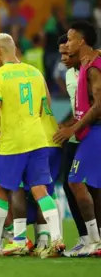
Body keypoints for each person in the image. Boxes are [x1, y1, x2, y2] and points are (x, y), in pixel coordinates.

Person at [0, 33, 63, 258]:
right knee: (40, 190)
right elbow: (47, 106)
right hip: (38, 139)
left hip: (11, 143)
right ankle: (56, 239)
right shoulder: (35, 72)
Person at [54, 21, 101, 256]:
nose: (67, 43)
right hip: (89, 130)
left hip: (96, 130)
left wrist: (73, 130)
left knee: (74, 180)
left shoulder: (93, 66)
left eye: (71, 40)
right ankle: (95, 240)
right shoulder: (86, 64)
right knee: (92, 186)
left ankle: (94, 241)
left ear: (81, 42)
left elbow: (99, 105)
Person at [54, 35, 89, 256]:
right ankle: (85, 237)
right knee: (68, 185)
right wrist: (65, 126)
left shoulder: (92, 70)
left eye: (67, 53)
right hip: (76, 136)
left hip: (90, 134)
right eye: (61, 54)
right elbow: (77, 108)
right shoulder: (68, 74)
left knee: (90, 187)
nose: (64, 58)